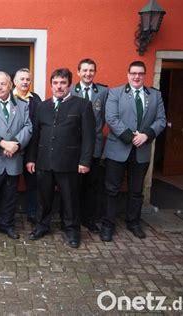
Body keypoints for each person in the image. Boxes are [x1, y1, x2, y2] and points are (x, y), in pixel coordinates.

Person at [26, 68, 95, 248]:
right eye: (55, 83)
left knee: (70, 199)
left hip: (70, 163)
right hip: (44, 162)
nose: (59, 86)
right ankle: (42, 226)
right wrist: (31, 158)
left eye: (63, 83)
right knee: (44, 198)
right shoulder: (43, 106)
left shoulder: (82, 105)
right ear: (51, 85)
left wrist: (85, 161)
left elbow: (89, 136)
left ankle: (72, 230)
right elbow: (36, 135)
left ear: (69, 84)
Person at [101, 61, 166, 242]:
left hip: (142, 150)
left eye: (140, 73)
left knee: (136, 190)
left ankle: (134, 222)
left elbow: (161, 120)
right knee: (111, 189)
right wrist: (131, 137)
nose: (136, 77)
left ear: (144, 75)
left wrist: (146, 135)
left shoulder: (155, 95)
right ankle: (108, 225)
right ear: (128, 74)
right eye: (133, 73)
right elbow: (111, 119)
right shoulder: (115, 93)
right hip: (117, 150)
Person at [0, 71, 32, 240]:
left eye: (3, 84)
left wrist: (15, 144)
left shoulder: (23, 105)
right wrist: (2, 143)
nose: (0, 87)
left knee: (10, 196)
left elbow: (28, 127)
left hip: (13, 158)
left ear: (10, 85)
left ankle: (7, 224)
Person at [70, 58, 109, 234]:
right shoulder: (70, 90)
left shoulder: (103, 91)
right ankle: (73, 219)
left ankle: (89, 219)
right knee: (74, 186)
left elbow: (106, 117)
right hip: (74, 147)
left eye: (91, 70)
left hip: (95, 146)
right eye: (84, 70)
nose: (88, 74)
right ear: (78, 72)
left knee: (92, 186)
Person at [12, 68, 42, 225]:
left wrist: (34, 155)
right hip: (11, 149)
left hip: (31, 149)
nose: (25, 82)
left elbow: (38, 128)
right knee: (10, 184)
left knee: (33, 184)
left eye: (27, 79)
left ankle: (32, 214)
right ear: (14, 82)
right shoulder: (7, 98)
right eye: (21, 79)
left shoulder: (36, 100)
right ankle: (8, 215)